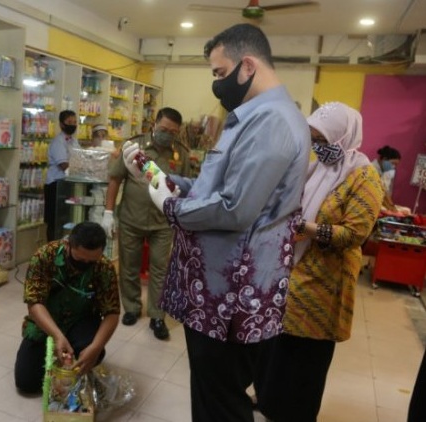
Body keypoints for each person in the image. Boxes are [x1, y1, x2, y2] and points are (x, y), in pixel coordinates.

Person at [123, 23, 310, 421]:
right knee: (212, 396)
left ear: (247, 65)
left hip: (231, 299)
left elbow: (234, 208)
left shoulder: (272, 122)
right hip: (216, 293)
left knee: (220, 403)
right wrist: (163, 178)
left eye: (219, 73)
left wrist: (171, 207)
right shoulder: (248, 118)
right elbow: (215, 183)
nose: (217, 86)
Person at [254, 102, 384, 422]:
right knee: (280, 348)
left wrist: (307, 229)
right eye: (314, 140)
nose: (318, 148)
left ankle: (294, 413)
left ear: (343, 136)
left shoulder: (363, 177)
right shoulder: (318, 168)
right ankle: (270, 402)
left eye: (323, 140)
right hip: (295, 272)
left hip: (326, 284)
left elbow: (355, 233)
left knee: (306, 359)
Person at [101, 107, 191, 340]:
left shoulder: (180, 154)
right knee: (129, 266)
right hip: (131, 218)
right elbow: (115, 179)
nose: (167, 134)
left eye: (172, 132)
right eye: (163, 129)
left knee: (160, 270)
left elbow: (187, 188)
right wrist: (108, 212)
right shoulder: (134, 147)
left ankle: (157, 315)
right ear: (154, 124)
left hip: (163, 223)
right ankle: (131, 308)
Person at [14, 222, 120, 395]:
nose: (85, 264)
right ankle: (59, 352)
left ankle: (76, 354)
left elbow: (112, 313)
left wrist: (96, 346)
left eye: (91, 261)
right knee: (26, 382)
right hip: (48, 321)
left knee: (94, 354)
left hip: (81, 319)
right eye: (80, 260)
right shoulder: (45, 256)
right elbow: (34, 304)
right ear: (67, 244)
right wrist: (57, 336)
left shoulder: (104, 267)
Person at [44, 110, 80, 242]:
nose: (73, 125)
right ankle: (52, 249)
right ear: (61, 124)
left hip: (67, 185)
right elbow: (64, 165)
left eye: (75, 122)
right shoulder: (58, 142)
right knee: (54, 220)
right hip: (55, 185)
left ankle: (64, 248)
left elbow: (80, 158)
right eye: (69, 122)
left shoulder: (73, 141)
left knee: (65, 219)